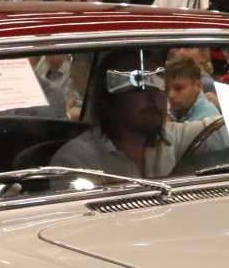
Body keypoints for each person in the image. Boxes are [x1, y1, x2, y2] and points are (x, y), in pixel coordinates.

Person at [53, 49, 176, 178]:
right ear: (108, 98)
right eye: (138, 87)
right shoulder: (75, 159)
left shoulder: (171, 138)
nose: (153, 97)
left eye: (159, 87)